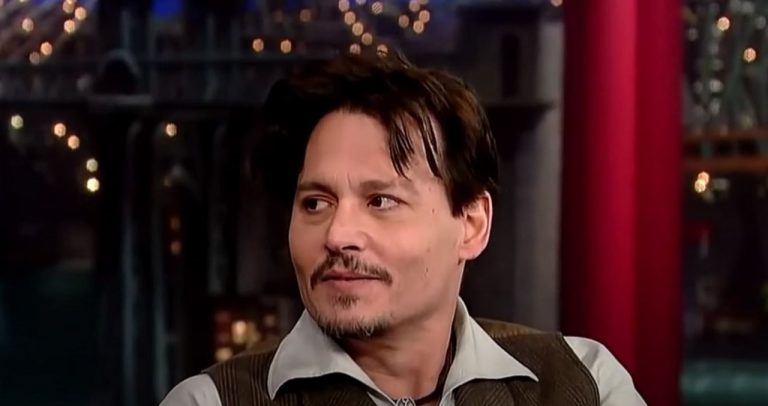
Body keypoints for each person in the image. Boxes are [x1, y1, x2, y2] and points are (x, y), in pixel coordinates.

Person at [160, 51, 646, 406]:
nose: (337, 235)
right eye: (315, 203)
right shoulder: (212, 401)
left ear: (471, 224)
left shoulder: (583, 383)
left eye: (381, 201)